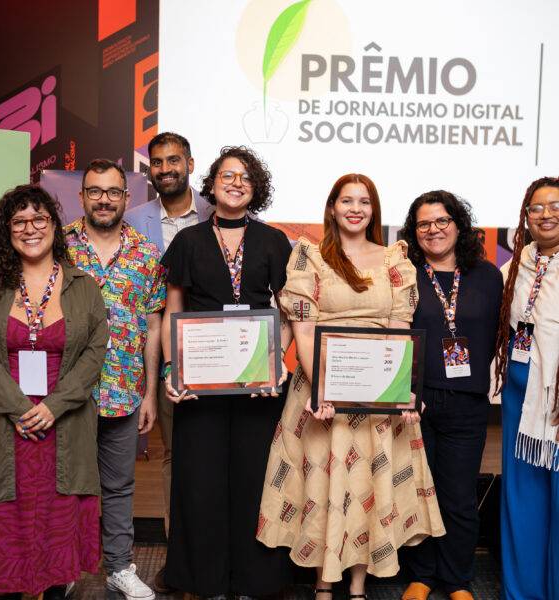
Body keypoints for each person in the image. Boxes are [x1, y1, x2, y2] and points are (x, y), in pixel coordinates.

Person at [0, 159, 166, 600]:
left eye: (113, 192)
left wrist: (150, 392)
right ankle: (66, 565)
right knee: (59, 489)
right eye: (94, 191)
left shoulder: (147, 253)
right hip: (58, 396)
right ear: (81, 197)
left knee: (118, 486)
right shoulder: (58, 243)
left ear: (127, 197)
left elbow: (154, 324)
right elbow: (15, 253)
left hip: (119, 388)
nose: (104, 199)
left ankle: (119, 567)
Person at [256, 174, 445, 599]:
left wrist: (402, 391)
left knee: (367, 486)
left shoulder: (395, 259)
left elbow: (399, 330)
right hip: (320, 390)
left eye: (364, 201)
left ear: (373, 210)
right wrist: (323, 391)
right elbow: (304, 332)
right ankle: (324, 583)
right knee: (323, 486)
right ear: (333, 207)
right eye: (347, 200)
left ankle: (358, 584)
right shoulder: (309, 256)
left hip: (378, 392)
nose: (355, 209)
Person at [0, 184, 108, 599]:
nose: (30, 228)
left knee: (57, 522)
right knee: (6, 526)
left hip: (63, 424)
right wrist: (18, 407)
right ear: (6, 231)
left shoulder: (84, 286)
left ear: (54, 226)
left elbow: (95, 351)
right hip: (0, 422)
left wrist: (54, 406)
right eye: (19, 221)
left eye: (39, 218)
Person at [160, 146, 294, 598]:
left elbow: (289, 313)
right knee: (201, 483)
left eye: (246, 177)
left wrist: (277, 363)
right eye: (227, 175)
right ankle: (207, 582)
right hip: (200, 384)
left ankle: (254, 582)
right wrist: (171, 369)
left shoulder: (274, 241)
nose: (236, 183)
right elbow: (173, 310)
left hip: (258, 384)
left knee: (255, 480)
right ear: (212, 183)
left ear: (256, 188)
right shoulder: (188, 241)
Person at [399, 191, 503, 600]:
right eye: (423, 224)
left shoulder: (488, 276)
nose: (433, 230)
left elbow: (500, 333)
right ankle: (422, 575)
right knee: (417, 491)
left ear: (458, 225)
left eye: (442, 220)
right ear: (414, 231)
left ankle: (457, 579)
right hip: (416, 401)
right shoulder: (404, 273)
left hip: (467, 402)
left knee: (458, 497)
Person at [125, 132, 213, 593]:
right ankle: (179, 556)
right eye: (157, 162)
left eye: (173, 160)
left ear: (190, 164)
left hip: (222, 360)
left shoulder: (220, 213)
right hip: (162, 359)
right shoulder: (134, 219)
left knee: (218, 456)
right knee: (174, 457)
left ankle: (218, 555)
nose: (165, 169)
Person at [493, 177, 559, 600]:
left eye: (555, 206)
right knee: (522, 499)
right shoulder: (515, 266)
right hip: (520, 399)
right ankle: (522, 592)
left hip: (557, 401)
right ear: (525, 216)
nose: (546, 214)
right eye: (536, 207)